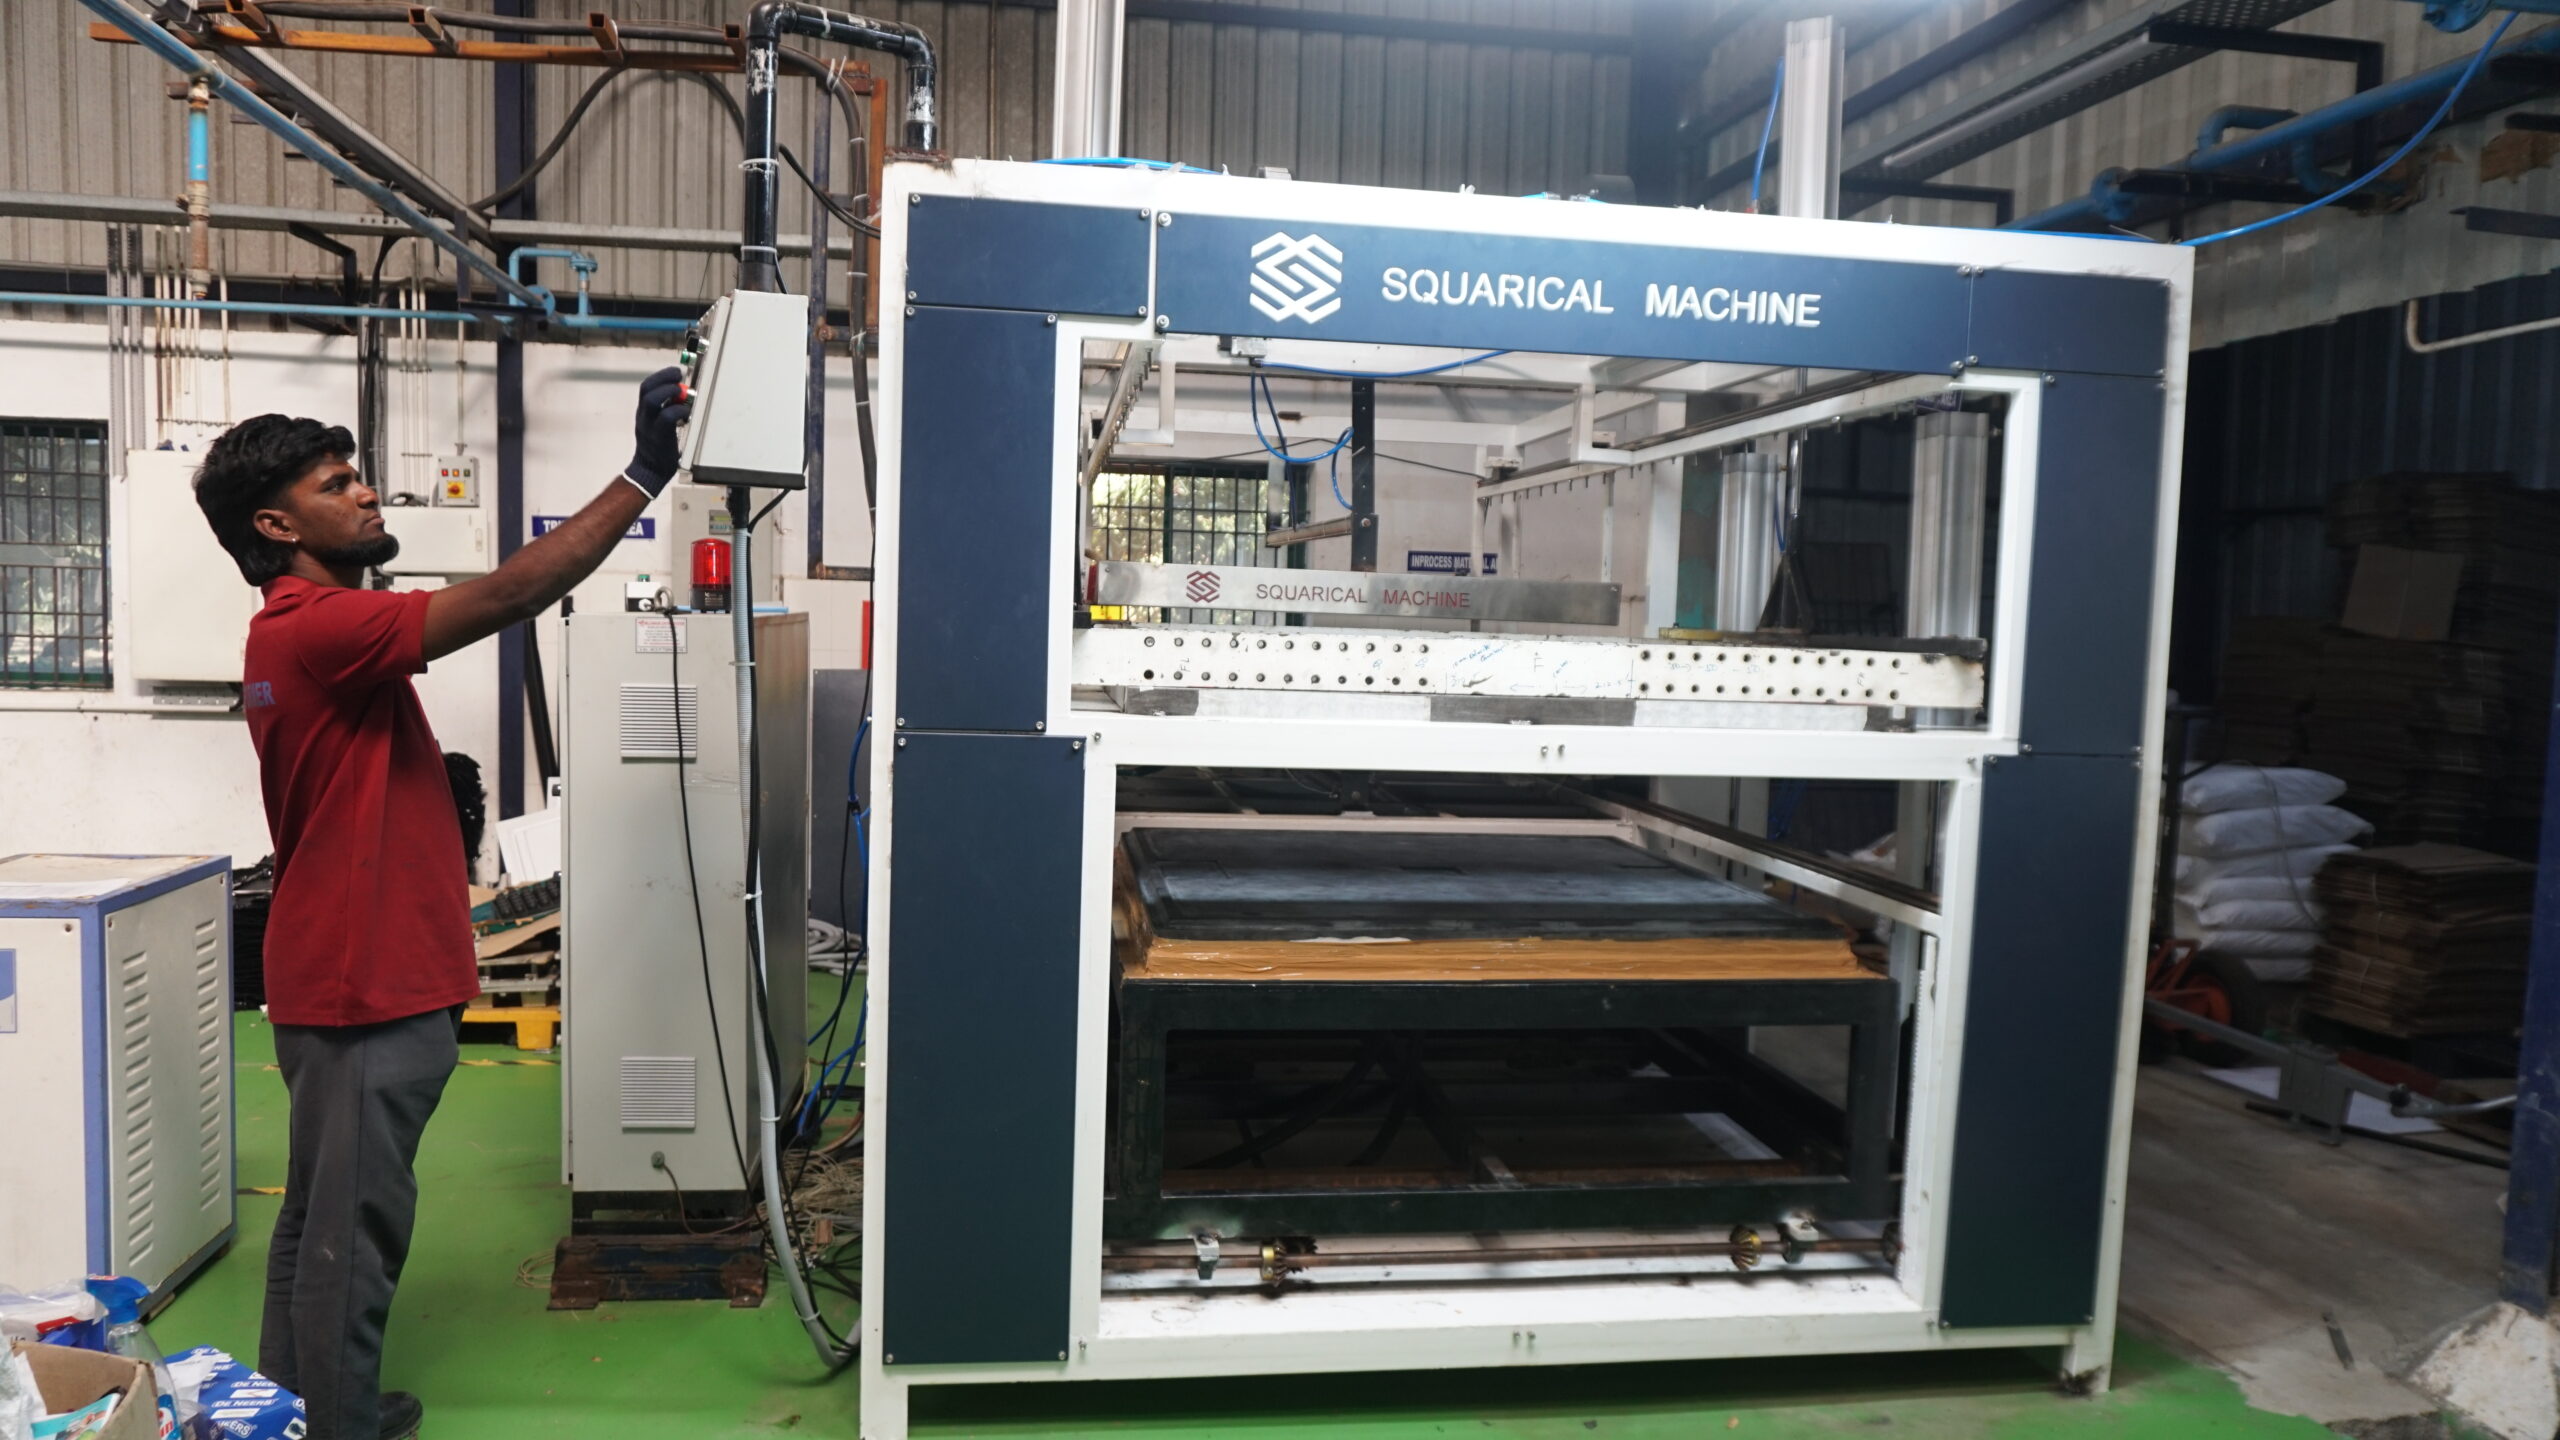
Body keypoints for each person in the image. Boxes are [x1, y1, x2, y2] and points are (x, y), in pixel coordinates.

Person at [190, 368, 693, 1440]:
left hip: (347, 970)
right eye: (337, 484)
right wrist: (645, 474)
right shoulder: (317, 625)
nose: (367, 491)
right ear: (277, 526)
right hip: (362, 984)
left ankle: (302, 1410)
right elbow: (509, 596)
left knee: (322, 1217)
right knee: (354, 1230)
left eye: (357, 474)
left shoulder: (298, 628)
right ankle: (337, 1425)